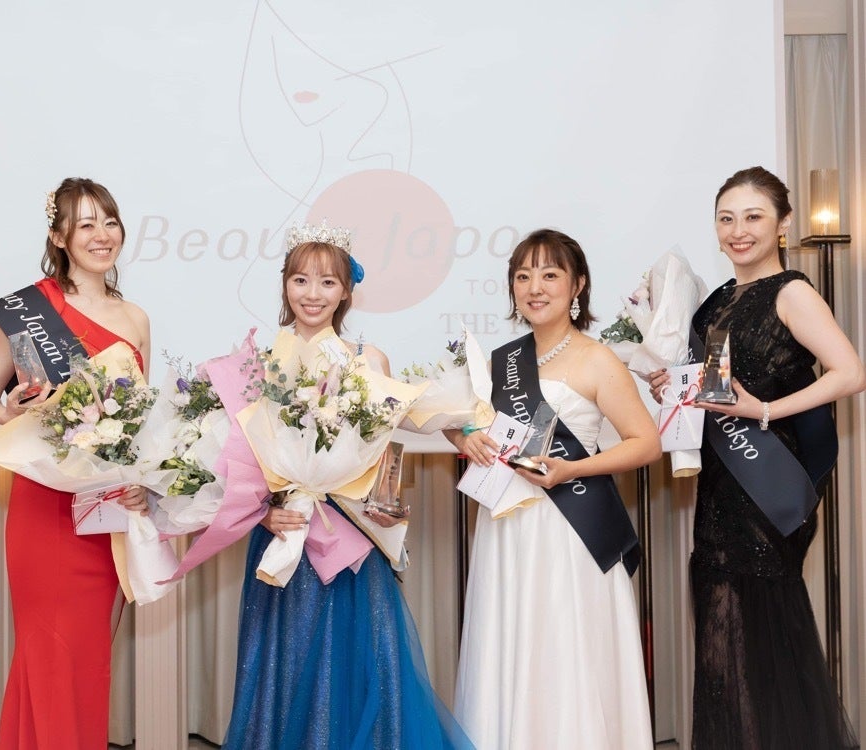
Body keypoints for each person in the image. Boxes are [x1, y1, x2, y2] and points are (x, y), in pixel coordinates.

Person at [222, 223, 473, 749]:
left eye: (327, 282)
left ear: (346, 291)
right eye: (300, 280)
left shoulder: (368, 361)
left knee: (356, 671)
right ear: (285, 285)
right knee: (285, 669)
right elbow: (236, 462)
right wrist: (262, 513)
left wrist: (391, 503)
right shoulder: (259, 366)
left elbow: (388, 445)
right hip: (284, 535)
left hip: (349, 540)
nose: (312, 294)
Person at [648, 167, 864, 749]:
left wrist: (765, 410)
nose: (738, 230)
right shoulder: (717, 299)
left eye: (753, 217)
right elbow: (712, 388)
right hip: (722, 483)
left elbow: (850, 373)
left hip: (770, 482)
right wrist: (671, 383)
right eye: (726, 219)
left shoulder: (792, 292)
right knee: (723, 637)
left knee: (758, 631)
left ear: (783, 223)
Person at [447, 228, 660, 749]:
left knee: (565, 645)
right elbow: (460, 421)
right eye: (523, 276)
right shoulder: (500, 361)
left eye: (549, 274)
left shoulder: (597, 358)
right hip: (507, 527)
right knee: (510, 642)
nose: (534, 287)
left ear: (577, 285)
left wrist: (570, 471)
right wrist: (465, 436)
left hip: (569, 531)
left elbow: (646, 443)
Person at [0, 178, 151, 750]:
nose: (102, 235)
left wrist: (142, 481)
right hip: (43, 504)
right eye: (85, 224)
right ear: (58, 236)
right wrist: (15, 413)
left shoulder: (135, 318)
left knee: (88, 660)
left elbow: (138, 419)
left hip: (103, 508)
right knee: (48, 653)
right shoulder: (29, 309)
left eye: (110, 222)